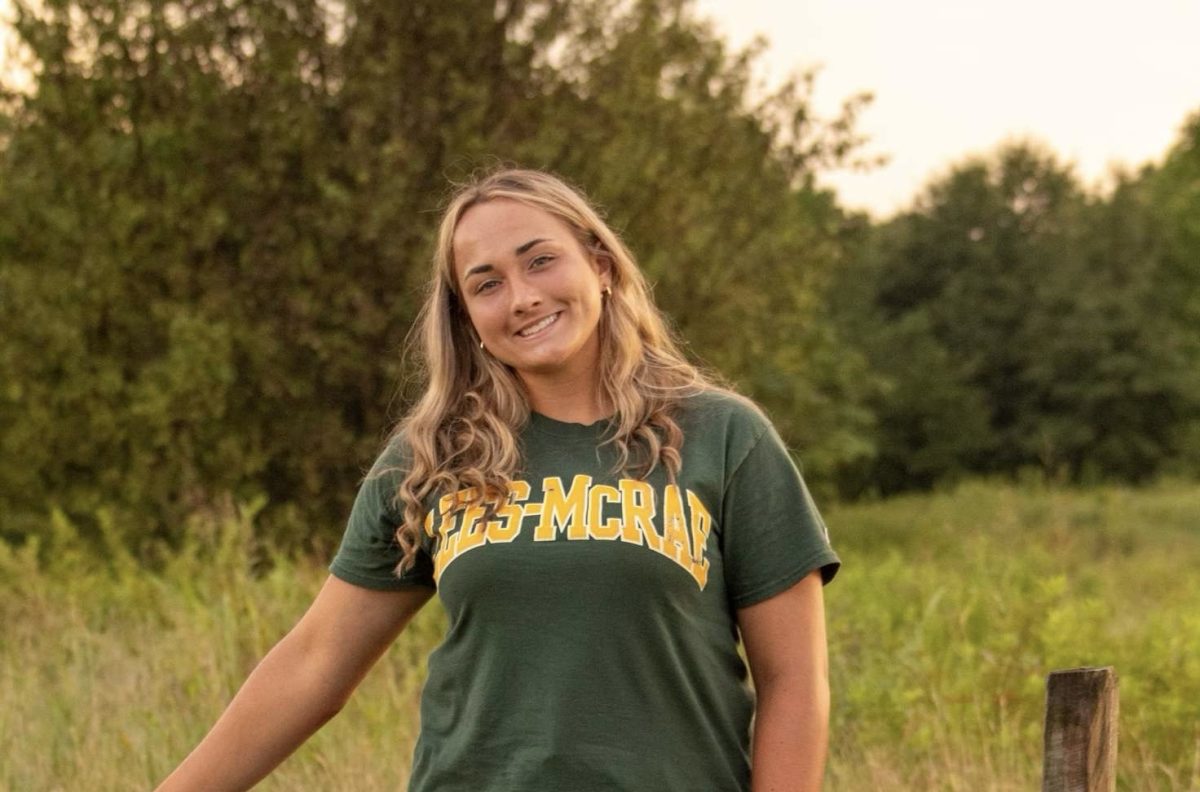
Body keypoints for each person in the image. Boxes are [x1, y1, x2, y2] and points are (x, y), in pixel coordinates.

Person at [156, 168, 840, 792]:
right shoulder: (432, 456)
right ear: (468, 319)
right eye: (486, 283)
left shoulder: (723, 438)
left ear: (600, 266)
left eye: (541, 261)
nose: (521, 298)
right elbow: (315, 662)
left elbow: (795, 684)